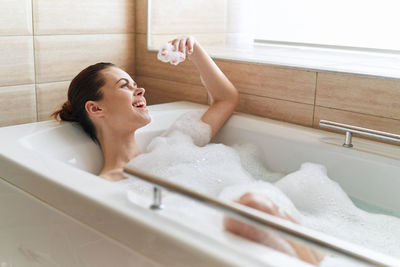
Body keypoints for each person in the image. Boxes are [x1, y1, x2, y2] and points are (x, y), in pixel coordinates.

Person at [53, 36, 323, 265]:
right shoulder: (102, 188)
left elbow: (226, 99)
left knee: (253, 205)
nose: (140, 90)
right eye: (125, 86)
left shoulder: (173, 144)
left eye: (136, 85)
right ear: (96, 108)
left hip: (234, 238)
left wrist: (196, 51)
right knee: (251, 206)